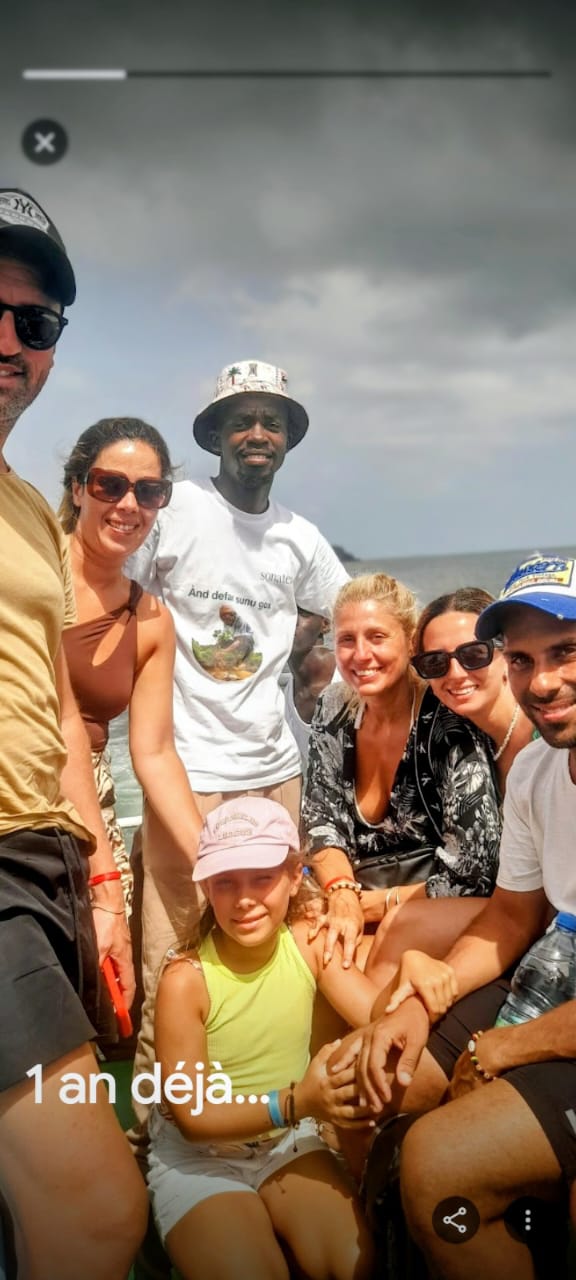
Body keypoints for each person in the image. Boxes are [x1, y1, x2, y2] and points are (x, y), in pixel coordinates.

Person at [332, 554, 576, 1280]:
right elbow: (510, 917)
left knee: (440, 1168)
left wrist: (505, 1048)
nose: (543, 681)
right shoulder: (538, 771)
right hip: (554, 969)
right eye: (524, 659)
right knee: (356, 1082)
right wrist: (420, 1001)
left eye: (565, 653)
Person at [128, 359, 348, 1119]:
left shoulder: (299, 538)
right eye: (242, 420)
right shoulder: (175, 511)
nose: (258, 433)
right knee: (174, 957)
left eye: (272, 422)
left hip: (277, 772)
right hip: (187, 773)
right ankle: (159, 1137)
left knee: (282, 946)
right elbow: (115, 599)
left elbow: (344, 609)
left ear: (287, 439)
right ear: (216, 435)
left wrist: (297, 648)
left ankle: (284, 1117)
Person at [0, 188, 146, 1277]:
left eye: (34, 321)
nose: (9, 340)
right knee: (97, 1211)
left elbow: (56, 708)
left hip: (45, 856)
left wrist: (98, 885)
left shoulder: (26, 515)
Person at [147, 796, 377, 1280]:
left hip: (286, 1143)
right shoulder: (185, 980)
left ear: (295, 876)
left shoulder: (308, 942)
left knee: (355, 1264)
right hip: (199, 1160)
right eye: (225, 882)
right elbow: (193, 1117)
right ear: (206, 887)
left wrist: (418, 980)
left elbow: (378, 1016)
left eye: (262, 878)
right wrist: (298, 1102)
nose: (244, 898)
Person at [302, 573, 502, 968]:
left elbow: (472, 871)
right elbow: (321, 819)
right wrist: (340, 890)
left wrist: (366, 906)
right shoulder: (334, 708)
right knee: (301, 945)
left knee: (330, 961)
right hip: (358, 898)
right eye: (346, 640)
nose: (361, 654)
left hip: (430, 914)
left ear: (411, 642)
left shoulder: (445, 718)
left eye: (377, 637)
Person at [59, 416, 202, 918]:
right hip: (18, 790)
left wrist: (214, 863)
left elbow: (155, 753)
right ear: (78, 488)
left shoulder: (151, 620)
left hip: (93, 807)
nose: (128, 505)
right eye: (110, 485)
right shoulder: (30, 572)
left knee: (104, 960)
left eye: (148, 491)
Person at [366, 586, 534, 995]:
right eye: (435, 662)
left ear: (504, 653)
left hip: (541, 915)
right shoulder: (468, 739)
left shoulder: (542, 736)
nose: (455, 674)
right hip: (511, 904)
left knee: (403, 925)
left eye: (473, 654)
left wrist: (386, 901)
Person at [282, 607, 335, 777]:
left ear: (325, 623)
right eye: (286, 611)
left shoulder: (350, 682)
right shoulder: (284, 696)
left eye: (303, 613)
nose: (292, 620)